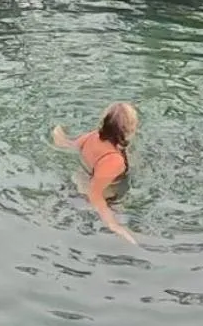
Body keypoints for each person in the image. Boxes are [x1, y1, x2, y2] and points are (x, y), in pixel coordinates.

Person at [51, 102, 140, 244]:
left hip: (74, 185)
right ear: (130, 130)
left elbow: (68, 145)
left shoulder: (92, 136)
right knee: (134, 237)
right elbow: (95, 195)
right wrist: (114, 225)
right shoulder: (113, 160)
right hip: (93, 201)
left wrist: (58, 133)